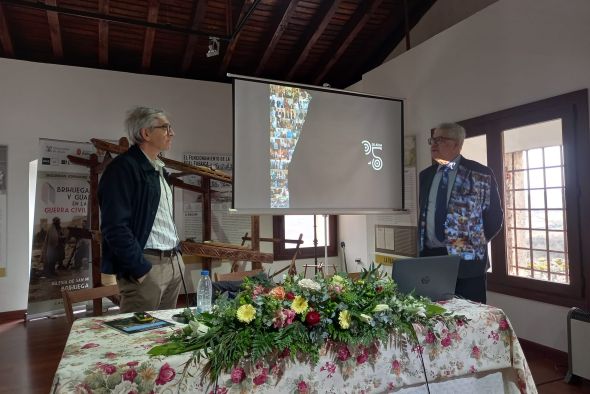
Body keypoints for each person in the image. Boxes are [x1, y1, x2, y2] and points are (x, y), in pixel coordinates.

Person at [98, 106, 185, 312]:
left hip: (172, 262)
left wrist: (178, 258)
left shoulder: (159, 169)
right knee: (140, 338)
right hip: (147, 265)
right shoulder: (122, 169)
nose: (171, 133)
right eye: (165, 127)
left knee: (166, 335)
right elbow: (114, 227)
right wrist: (140, 268)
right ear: (146, 133)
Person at [418, 122, 503, 303]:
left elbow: (495, 217)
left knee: (470, 320)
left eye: (439, 140)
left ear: (456, 144)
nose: (433, 144)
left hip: (467, 263)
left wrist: (472, 243)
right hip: (431, 262)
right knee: (435, 319)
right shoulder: (425, 176)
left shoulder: (480, 173)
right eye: (432, 140)